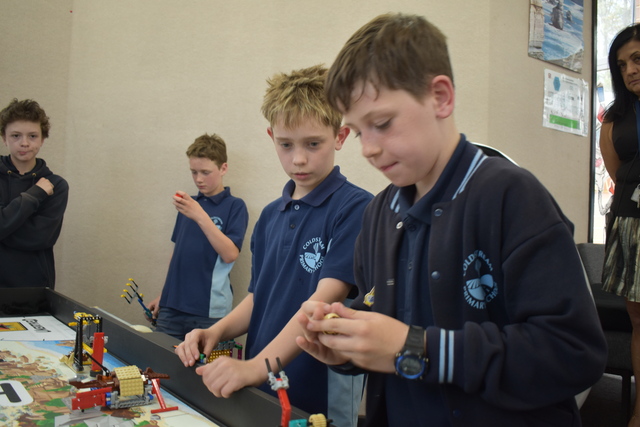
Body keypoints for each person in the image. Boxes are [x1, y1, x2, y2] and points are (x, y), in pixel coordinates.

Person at [295, 13, 608, 427]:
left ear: (440, 97)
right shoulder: (378, 214)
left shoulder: (510, 196)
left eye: (382, 124)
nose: (368, 148)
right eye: (357, 132)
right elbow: (384, 325)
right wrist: (347, 346)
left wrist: (418, 349)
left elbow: (574, 353)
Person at [175, 65, 372, 427]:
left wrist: (254, 367)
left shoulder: (355, 208)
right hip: (263, 387)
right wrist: (216, 330)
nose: (298, 159)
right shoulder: (269, 217)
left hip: (318, 394)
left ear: (340, 136)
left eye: (313, 143)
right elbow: (258, 298)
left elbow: (320, 305)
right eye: (286, 144)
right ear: (272, 137)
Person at [148, 133, 248, 341]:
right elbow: (177, 253)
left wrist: (200, 215)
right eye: (194, 172)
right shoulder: (189, 204)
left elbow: (230, 254)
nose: (198, 179)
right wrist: (163, 295)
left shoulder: (235, 206)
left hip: (209, 312)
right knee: (159, 358)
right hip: (172, 307)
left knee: (207, 364)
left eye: (205, 172)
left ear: (223, 168)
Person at [600, 23, 640, 427]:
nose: (630, 70)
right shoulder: (614, 120)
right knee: (639, 323)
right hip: (633, 227)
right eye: (622, 64)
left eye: (637, 59)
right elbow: (618, 176)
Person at [0, 98, 69, 288]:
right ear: (4, 138)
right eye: (15, 136)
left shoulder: (56, 185)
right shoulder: (42, 190)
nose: (24, 143)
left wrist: (5, 223)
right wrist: (34, 195)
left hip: (33, 287)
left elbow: (40, 238)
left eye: (32, 136)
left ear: (42, 139)